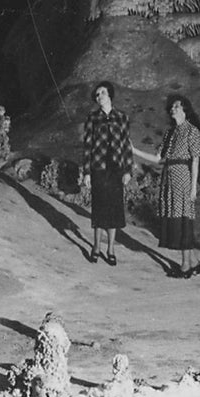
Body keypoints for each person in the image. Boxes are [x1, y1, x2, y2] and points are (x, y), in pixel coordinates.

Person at [150, 93, 200, 278]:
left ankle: (185, 267)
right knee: (176, 220)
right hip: (169, 178)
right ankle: (194, 262)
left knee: (183, 221)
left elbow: (195, 161)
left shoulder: (192, 131)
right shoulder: (169, 133)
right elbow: (158, 159)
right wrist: (133, 150)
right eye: (171, 107)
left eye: (176, 107)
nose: (172, 109)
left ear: (184, 110)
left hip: (184, 178)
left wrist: (192, 188)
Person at [80, 81, 132, 265]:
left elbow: (126, 146)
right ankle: (96, 247)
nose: (98, 96)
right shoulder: (93, 117)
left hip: (117, 169)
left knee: (114, 209)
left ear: (110, 95)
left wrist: (128, 170)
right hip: (99, 168)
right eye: (96, 95)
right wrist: (86, 172)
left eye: (102, 93)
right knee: (100, 207)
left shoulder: (122, 117)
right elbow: (87, 146)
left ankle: (110, 249)